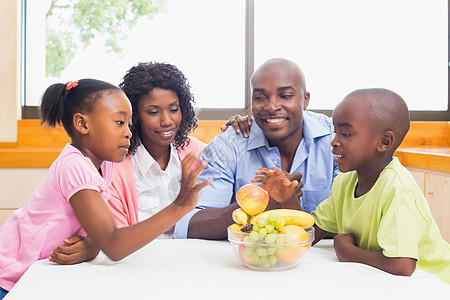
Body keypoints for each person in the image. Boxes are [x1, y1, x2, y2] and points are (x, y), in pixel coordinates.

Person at [0, 78, 211, 297]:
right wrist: (179, 206)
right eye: (119, 122)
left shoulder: (106, 163)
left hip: (42, 278)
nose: (129, 132)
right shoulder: (75, 166)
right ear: (82, 124)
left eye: (129, 124)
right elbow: (114, 245)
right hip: (10, 280)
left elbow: (103, 236)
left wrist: (93, 245)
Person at [48, 62, 252, 264]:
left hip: (196, 260)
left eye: (174, 109)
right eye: (153, 112)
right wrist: (94, 245)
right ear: (133, 116)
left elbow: (233, 192)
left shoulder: (197, 152)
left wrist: (241, 131)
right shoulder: (114, 167)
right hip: (138, 265)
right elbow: (114, 239)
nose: (166, 121)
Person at [174, 58, 339, 240]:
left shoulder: (335, 139)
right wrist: (261, 204)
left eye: (285, 96)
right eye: (260, 98)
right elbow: (190, 225)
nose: (271, 107)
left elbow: (356, 219)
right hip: (245, 261)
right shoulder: (228, 145)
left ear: (305, 100)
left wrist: (287, 204)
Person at [311, 88, 450, 284]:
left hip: (433, 282)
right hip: (385, 282)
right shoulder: (345, 182)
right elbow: (314, 229)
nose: (334, 142)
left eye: (346, 134)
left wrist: (347, 251)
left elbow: (402, 266)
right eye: (335, 132)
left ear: (384, 142)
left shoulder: (397, 189)